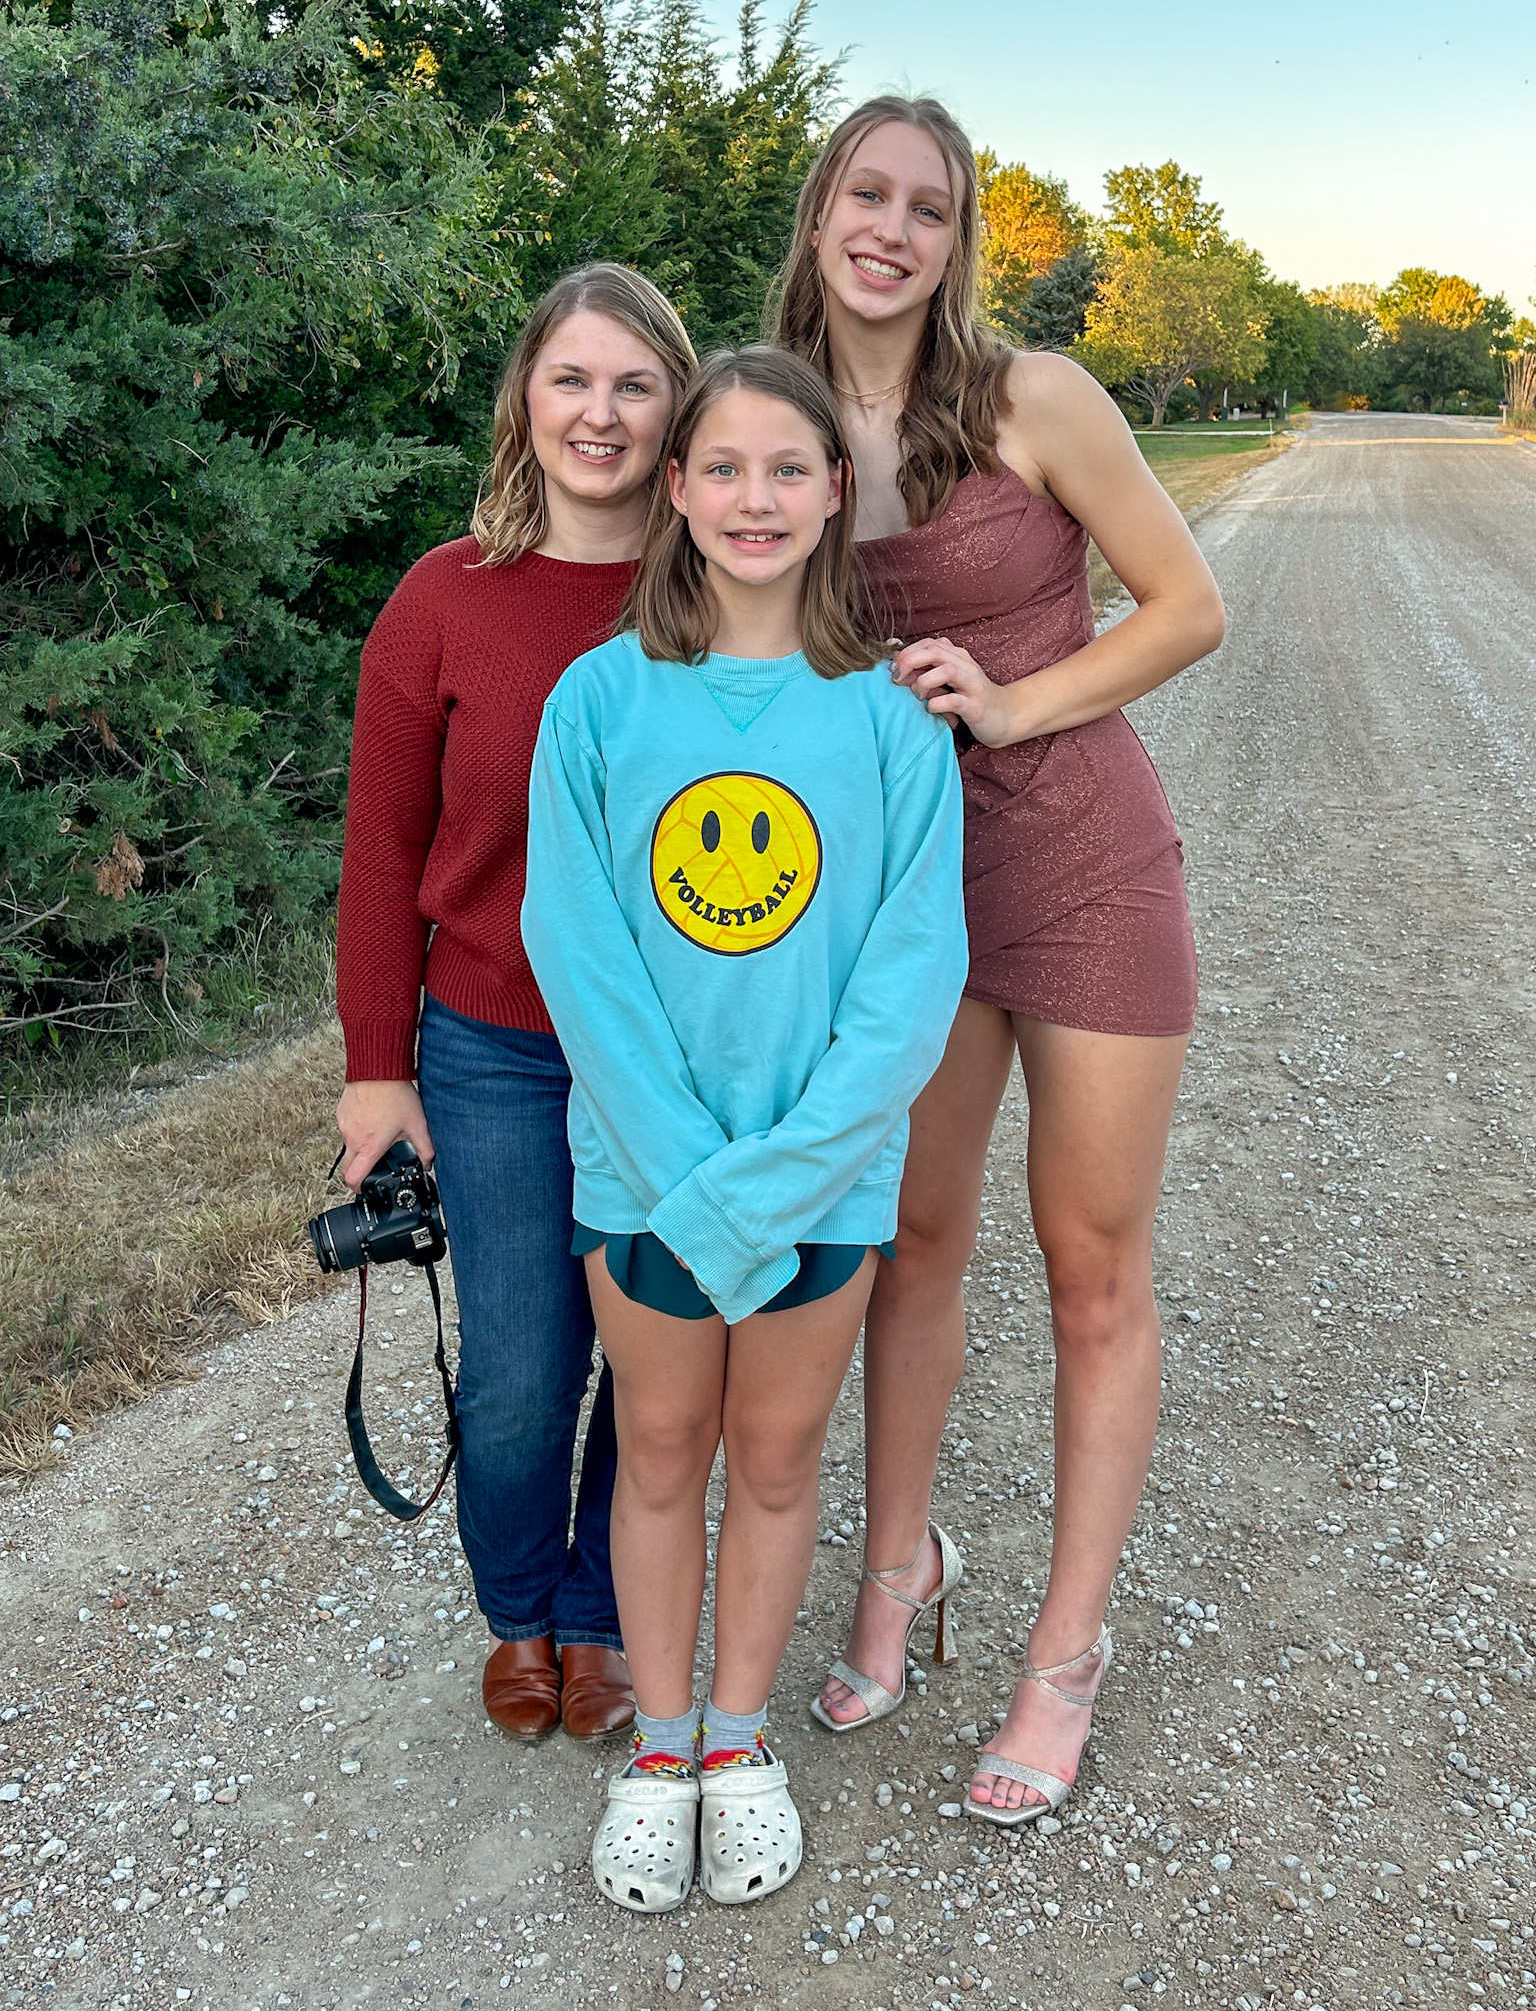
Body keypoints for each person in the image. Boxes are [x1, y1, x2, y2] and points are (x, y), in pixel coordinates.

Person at [772, 98, 1226, 1825]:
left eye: (930, 208)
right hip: (908, 896)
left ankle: (1066, 1656)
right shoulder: (782, 419)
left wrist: (1018, 700)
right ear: (819, 213)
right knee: (911, 1247)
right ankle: (902, 1569)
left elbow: (1188, 605)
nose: (892, 228)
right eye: (866, 194)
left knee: (1090, 1261)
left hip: (1088, 860)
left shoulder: (1032, 398)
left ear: (959, 243)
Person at [521, 346, 967, 1911]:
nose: (755, 498)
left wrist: (774, 1184)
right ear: (678, 489)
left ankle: (735, 1738)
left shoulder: (891, 719)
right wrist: (690, 1181)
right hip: (642, 1175)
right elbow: (579, 953)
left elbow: (912, 981)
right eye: (722, 468)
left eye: (789, 468)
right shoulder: (601, 699)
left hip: (822, 1188)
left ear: (837, 490)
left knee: (776, 1463)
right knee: (656, 1454)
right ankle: (655, 1749)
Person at [333, 264, 696, 1745]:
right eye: (572, 380)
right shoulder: (442, 599)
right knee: (521, 1380)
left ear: (675, 407)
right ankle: (520, 1609)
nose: (599, 413)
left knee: (660, 1362)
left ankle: (607, 1615)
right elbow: (380, 850)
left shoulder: (717, 592)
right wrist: (377, 1072)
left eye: (632, 384)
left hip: (677, 1060)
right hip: (489, 1050)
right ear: (526, 402)